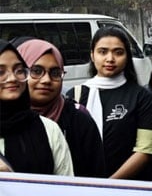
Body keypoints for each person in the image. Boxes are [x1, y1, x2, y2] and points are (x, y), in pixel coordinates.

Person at [69, 25, 152, 180]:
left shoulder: (142, 97)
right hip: (83, 186)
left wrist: (110, 183)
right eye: (102, 52)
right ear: (92, 55)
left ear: (127, 56)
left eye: (118, 52)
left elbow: (145, 149)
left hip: (128, 186)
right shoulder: (75, 95)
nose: (110, 58)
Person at [17, 38, 105, 177]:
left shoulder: (79, 120)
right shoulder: (7, 119)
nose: (46, 80)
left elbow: (96, 176)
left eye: (55, 73)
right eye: (37, 71)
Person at [0, 40, 74, 176]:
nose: (12, 78)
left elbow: (66, 185)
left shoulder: (48, 129)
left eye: (19, 70)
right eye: (1, 72)